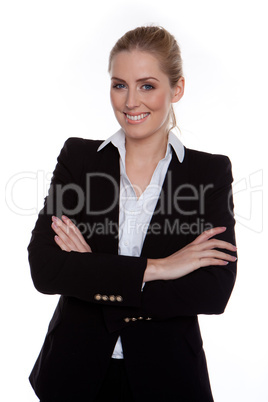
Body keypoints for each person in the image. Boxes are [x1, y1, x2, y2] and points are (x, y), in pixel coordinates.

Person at [28, 26, 237, 402]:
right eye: (119, 85)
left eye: (147, 86)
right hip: (73, 373)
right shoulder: (78, 159)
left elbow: (213, 291)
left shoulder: (208, 173)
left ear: (176, 90)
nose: (130, 102)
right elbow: (44, 269)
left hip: (169, 376)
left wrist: (96, 272)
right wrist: (157, 268)